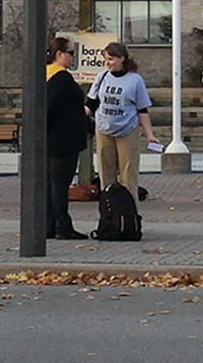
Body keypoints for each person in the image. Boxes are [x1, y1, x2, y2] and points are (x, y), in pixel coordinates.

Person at [87, 42, 161, 201]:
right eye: (106, 59)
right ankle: (108, 212)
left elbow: (142, 110)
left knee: (128, 174)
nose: (107, 63)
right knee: (106, 174)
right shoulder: (102, 77)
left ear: (122, 59)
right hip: (104, 129)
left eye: (111, 59)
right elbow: (91, 104)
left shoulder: (135, 80)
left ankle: (129, 213)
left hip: (127, 131)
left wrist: (150, 136)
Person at [43, 37, 92, 240]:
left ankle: (49, 225)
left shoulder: (44, 76)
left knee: (50, 184)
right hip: (62, 141)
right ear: (59, 54)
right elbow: (51, 108)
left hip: (51, 139)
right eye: (71, 53)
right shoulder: (61, 78)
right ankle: (63, 226)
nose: (74, 57)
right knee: (59, 185)